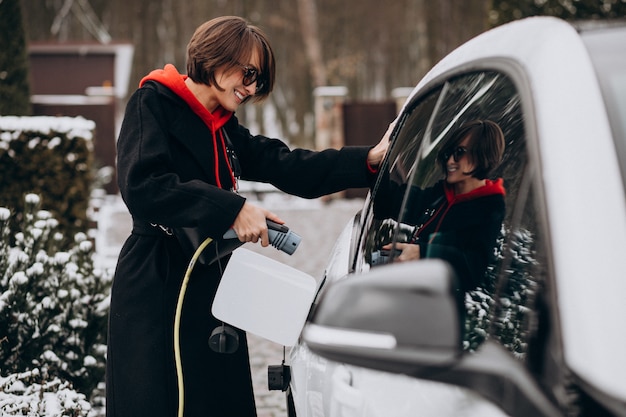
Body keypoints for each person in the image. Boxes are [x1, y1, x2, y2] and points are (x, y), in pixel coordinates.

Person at [106, 16, 389, 417]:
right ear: (216, 57)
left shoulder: (223, 127)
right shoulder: (151, 103)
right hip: (157, 283)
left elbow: (286, 165)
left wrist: (366, 162)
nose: (252, 87)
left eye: (259, 79)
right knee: (162, 401)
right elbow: (142, 186)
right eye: (249, 73)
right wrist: (233, 208)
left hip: (211, 283)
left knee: (219, 399)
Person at [380, 119, 506, 291]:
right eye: (449, 153)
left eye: (459, 153)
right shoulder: (441, 194)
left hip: (445, 311)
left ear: (482, 155)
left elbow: (474, 269)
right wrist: (372, 162)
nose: (450, 161)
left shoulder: (490, 208)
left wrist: (423, 253)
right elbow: (395, 201)